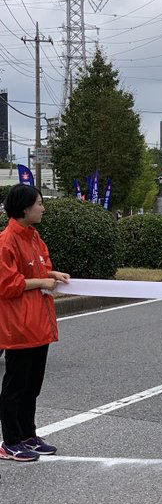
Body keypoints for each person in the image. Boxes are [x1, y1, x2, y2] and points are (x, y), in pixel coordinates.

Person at [0, 185, 70, 462]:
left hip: (39, 322)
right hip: (20, 325)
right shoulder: (6, 241)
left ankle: (28, 435)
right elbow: (7, 284)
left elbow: (37, 269)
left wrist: (52, 274)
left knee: (32, 386)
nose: (43, 208)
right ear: (24, 208)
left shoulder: (33, 236)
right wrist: (42, 281)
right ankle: (10, 441)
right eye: (39, 203)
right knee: (15, 387)